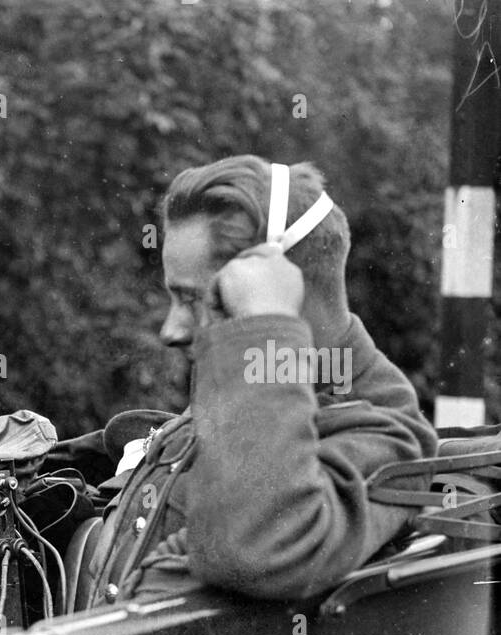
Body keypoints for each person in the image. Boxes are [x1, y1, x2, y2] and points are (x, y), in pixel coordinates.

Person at [79, 156, 438, 607]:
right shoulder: (255, 393)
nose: (170, 330)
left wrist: (265, 326)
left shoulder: (383, 433)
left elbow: (254, 546)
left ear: (279, 286)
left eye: (193, 299)